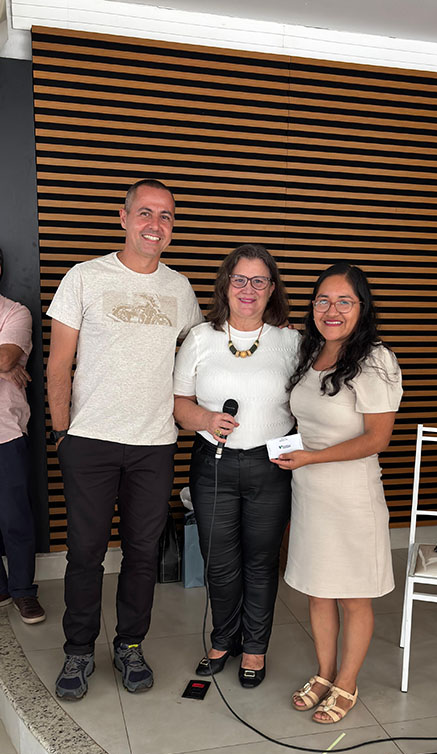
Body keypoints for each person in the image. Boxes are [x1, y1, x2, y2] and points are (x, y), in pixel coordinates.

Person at [46, 179, 203, 700]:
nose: (156, 224)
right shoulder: (85, 277)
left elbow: (196, 359)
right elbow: (58, 364)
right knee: (85, 554)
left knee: (141, 554)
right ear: (124, 217)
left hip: (154, 445)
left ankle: (130, 645)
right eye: (145, 213)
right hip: (89, 441)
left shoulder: (180, 289)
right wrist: (63, 433)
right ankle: (78, 651)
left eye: (166, 216)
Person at [273, 262, 402, 722]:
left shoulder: (375, 359)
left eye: (344, 301)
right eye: (323, 301)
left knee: (352, 596)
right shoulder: (310, 351)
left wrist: (312, 457)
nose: (332, 310)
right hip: (309, 492)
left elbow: (377, 439)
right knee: (318, 590)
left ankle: (347, 682)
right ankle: (324, 672)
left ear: (362, 307)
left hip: (351, 497)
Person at [173, 244, 299, 687]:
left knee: (261, 563)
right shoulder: (200, 338)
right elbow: (179, 403)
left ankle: (255, 648)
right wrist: (207, 419)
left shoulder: (291, 342)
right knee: (219, 563)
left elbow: (308, 403)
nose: (248, 289)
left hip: (271, 467)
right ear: (225, 284)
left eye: (259, 280)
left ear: (272, 289)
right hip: (214, 465)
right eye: (240, 279)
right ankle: (223, 639)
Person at [0, 249, 45, 625]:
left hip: (7, 432)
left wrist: (6, 363)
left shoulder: (15, 312)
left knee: (15, 518)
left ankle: (23, 591)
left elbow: (5, 358)